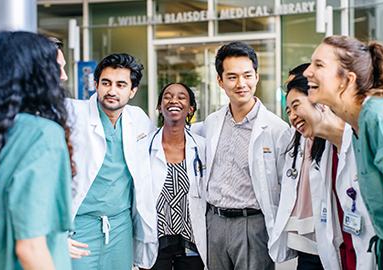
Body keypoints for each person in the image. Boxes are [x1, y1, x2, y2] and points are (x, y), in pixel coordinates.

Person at [303, 35, 383, 270]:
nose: (307, 72)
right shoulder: (357, 125)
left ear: (347, 79)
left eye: (319, 65)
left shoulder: (378, 117)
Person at [271, 64, 375, 270]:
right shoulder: (326, 153)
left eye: (296, 106)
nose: (292, 116)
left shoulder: (365, 138)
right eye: (288, 110)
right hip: (343, 253)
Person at [202, 41, 291, 269]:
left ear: (256, 77)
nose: (241, 84)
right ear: (220, 81)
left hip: (252, 225)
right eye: (232, 77)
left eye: (247, 75)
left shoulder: (276, 129)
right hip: (214, 222)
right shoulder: (212, 122)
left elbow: (287, 186)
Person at [0, 31, 74, 269]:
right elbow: (30, 248)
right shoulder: (41, 135)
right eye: (55, 68)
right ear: (36, 75)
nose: (64, 76)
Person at [66, 53, 157, 269]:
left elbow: (163, 146)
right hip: (80, 224)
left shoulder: (139, 119)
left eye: (121, 85)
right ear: (96, 85)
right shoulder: (73, 114)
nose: (112, 91)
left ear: (132, 91)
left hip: (121, 225)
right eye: (106, 83)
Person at [137, 83, 207, 269]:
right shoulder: (144, 146)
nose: (174, 100)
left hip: (192, 243)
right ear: (160, 107)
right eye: (167, 96)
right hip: (156, 242)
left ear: (191, 108)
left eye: (181, 97)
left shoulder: (202, 147)